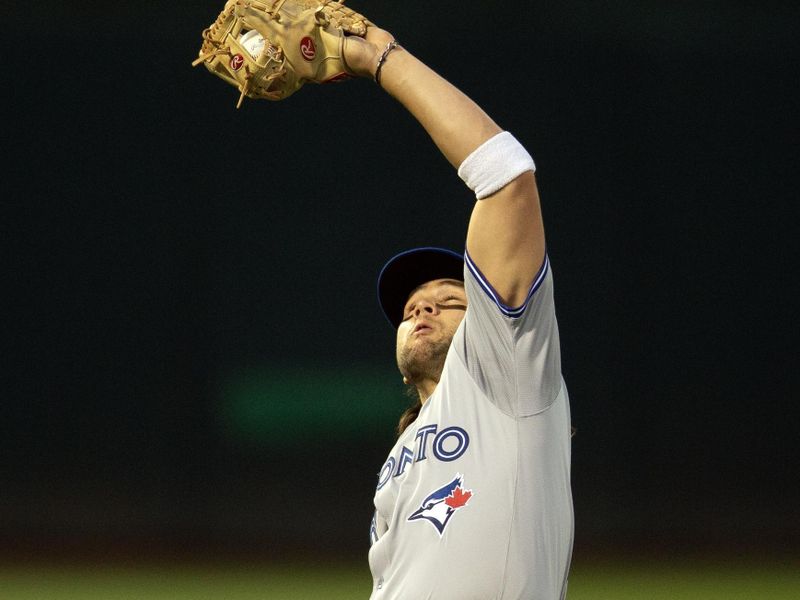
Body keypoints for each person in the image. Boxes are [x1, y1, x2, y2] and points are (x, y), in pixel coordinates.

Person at [343, 24, 574, 600]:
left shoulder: (504, 373)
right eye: (412, 307)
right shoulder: (402, 453)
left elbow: (505, 175)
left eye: (450, 300)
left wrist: (380, 59)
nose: (422, 307)